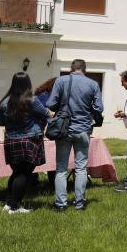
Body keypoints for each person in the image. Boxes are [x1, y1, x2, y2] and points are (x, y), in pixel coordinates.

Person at [46, 59, 103, 211]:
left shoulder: (61, 80)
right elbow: (99, 107)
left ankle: (60, 203)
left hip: (64, 129)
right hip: (83, 129)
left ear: (71, 68)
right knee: (81, 168)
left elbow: (51, 103)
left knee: (61, 169)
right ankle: (80, 203)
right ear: (85, 69)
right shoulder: (93, 84)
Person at [0, 72, 54, 214]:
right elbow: (47, 114)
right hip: (29, 140)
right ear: (28, 84)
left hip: (11, 140)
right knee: (23, 174)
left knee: (16, 172)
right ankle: (15, 207)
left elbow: (1, 122)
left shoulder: (4, 102)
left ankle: (9, 203)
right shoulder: (32, 100)